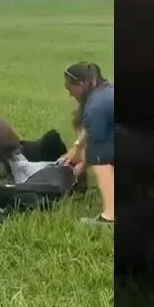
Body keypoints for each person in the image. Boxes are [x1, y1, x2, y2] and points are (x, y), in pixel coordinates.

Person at [59, 62, 115, 225]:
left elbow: (95, 149)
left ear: (81, 84)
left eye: (70, 89)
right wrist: (76, 148)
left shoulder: (95, 107)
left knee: (100, 159)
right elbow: (90, 130)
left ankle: (110, 217)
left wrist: (81, 167)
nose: (70, 95)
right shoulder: (105, 92)